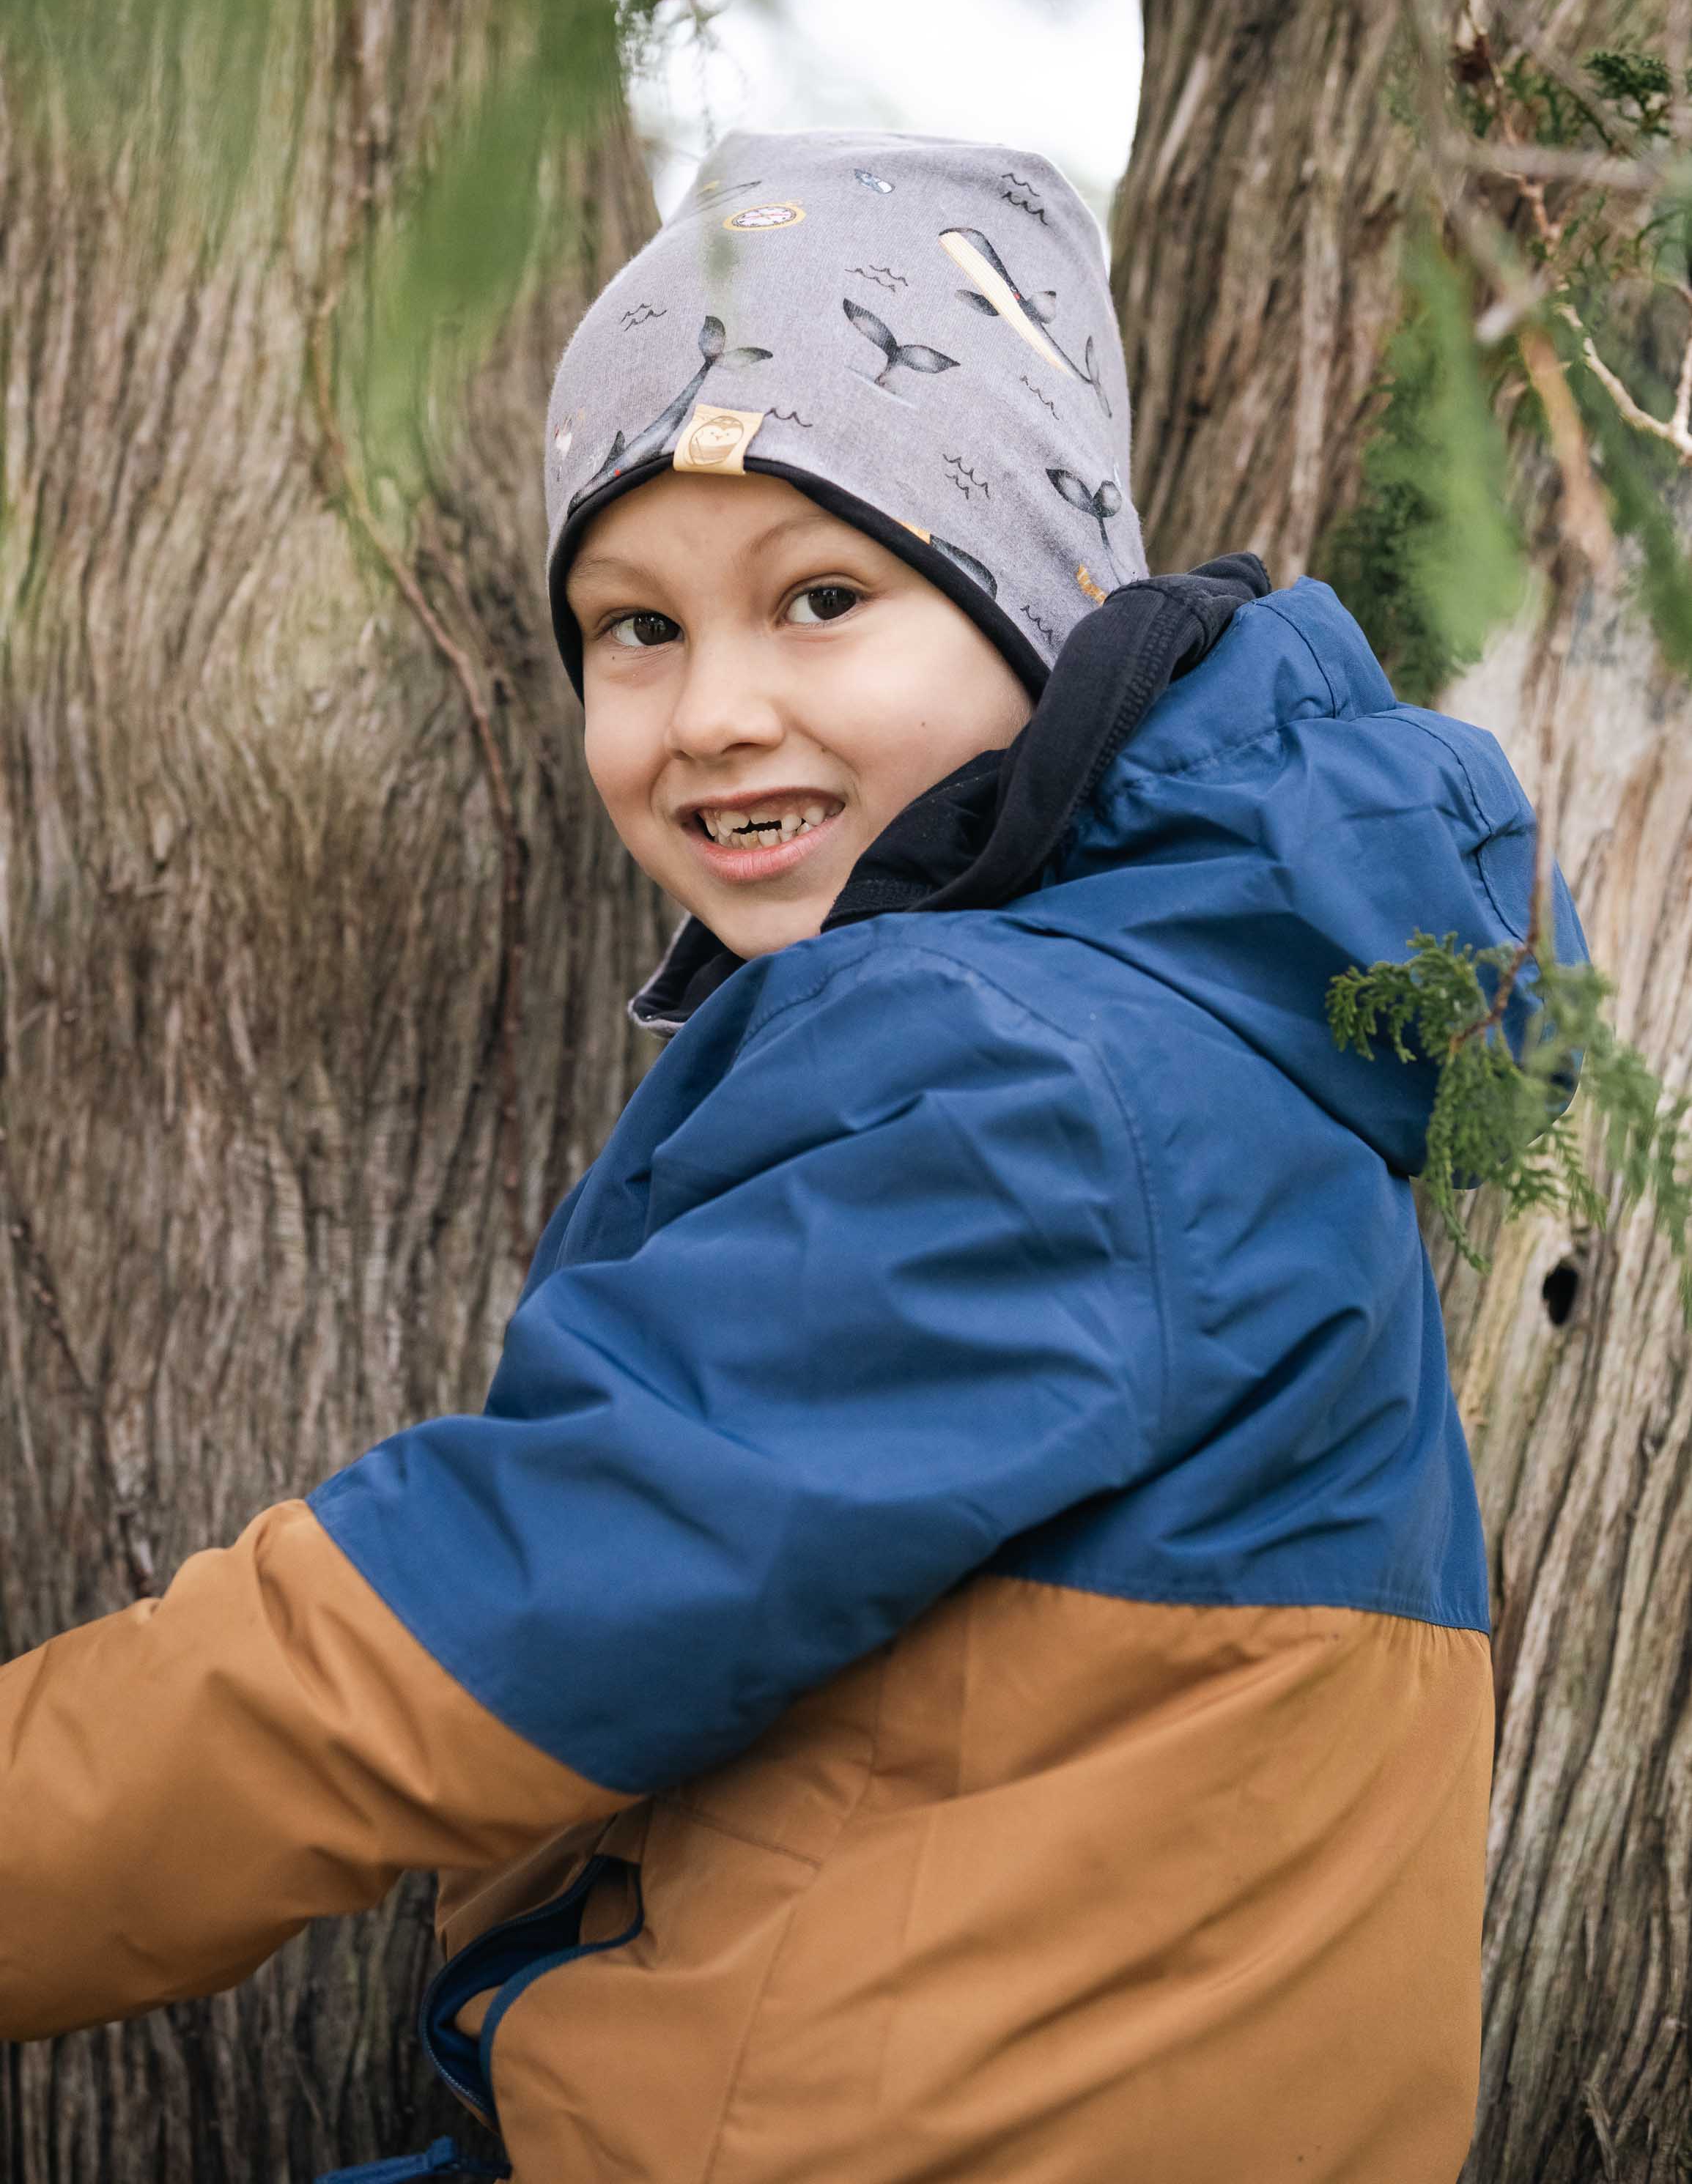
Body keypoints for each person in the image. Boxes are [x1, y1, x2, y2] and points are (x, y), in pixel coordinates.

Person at [0, 132, 1581, 2183]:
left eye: (825, 598)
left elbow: (495, 1620)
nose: (713, 711)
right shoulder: (1186, 1021)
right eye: (630, 629)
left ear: (1046, 613)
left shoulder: (1022, 1080)